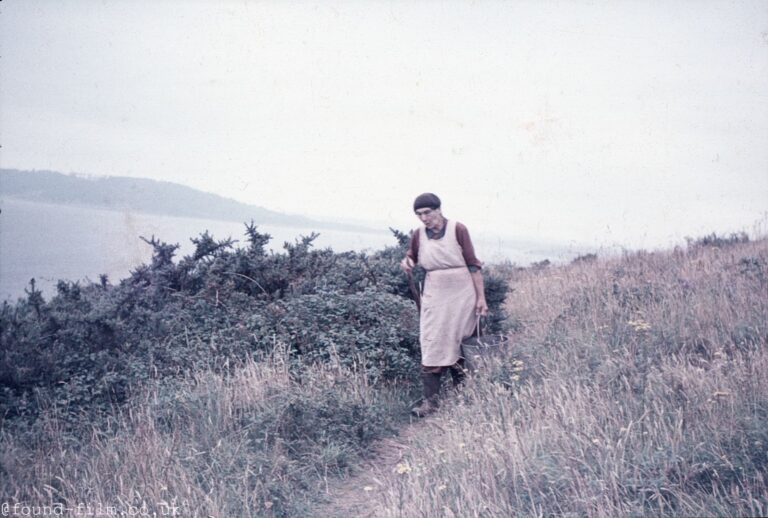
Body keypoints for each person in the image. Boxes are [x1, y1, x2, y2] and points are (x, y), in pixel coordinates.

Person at [400, 192, 488, 417]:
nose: (424, 218)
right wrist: (408, 262)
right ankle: (431, 403)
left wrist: (481, 298)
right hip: (434, 294)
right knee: (431, 342)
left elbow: (473, 266)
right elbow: (412, 256)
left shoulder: (458, 229)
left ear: (438, 209)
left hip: (462, 294)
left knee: (460, 341)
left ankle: (462, 396)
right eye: (419, 214)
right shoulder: (419, 234)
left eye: (427, 212)